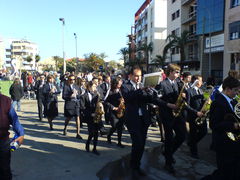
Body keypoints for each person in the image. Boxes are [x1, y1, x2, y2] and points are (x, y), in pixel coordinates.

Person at [121, 66, 176, 178]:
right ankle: (134, 166)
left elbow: (152, 100)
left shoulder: (143, 86)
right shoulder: (125, 86)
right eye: (136, 76)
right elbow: (128, 98)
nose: (138, 78)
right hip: (133, 119)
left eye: (140, 76)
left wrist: (165, 102)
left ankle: (137, 165)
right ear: (130, 76)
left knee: (142, 145)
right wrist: (140, 90)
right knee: (137, 143)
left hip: (144, 119)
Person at [201, 76, 240, 180]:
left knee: (233, 171)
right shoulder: (217, 103)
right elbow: (213, 125)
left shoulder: (234, 101)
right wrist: (233, 125)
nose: (237, 93)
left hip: (234, 143)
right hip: (223, 144)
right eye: (235, 90)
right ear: (227, 89)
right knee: (224, 173)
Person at [155, 63, 186, 174]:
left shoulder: (179, 83)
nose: (178, 74)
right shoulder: (162, 84)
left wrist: (183, 96)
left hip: (177, 114)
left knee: (182, 135)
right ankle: (168, 163)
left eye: (179, 72)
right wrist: (168, 104)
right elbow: (157, 100)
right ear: (171, 72)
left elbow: (182, 96)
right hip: (167, 114)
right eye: (177, 72)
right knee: (169, 138)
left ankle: (169, 152)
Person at [0, 93, 24, 180]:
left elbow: (14, 119)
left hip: (2, 141)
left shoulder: (5, 101)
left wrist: (20, 134)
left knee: (4, 170)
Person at [185, 75, 207, 159]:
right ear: (196, 81)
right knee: (193, 134)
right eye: (200, 81)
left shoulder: (201, 91)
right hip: (193, 116)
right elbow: (186, 106)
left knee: (204, 131)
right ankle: (194, 152)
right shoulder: (189, 91)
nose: (201, 82)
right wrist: (196, 112)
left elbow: (202, 103)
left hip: (202, 115)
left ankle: (191, 143)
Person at [80, 81, 103, 155]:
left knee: (96, 133)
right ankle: (88, 143)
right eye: (93, 87)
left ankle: (94, 148)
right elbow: (83, 107)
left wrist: (100, 99)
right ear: (89, 87)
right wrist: (90, 114)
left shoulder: (97, 95)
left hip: (96, 116)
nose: (94, 88)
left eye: (95, 87)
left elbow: (100, 103)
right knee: (91, 133)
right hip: (89, 117)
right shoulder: (84, 96)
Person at [105, 77, 125, 148]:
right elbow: (106, 102)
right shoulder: (110, 91)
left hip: (121, 111)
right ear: (115, 83)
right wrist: (113, 107)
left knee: (120, 127)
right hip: (113, 112)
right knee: (115, 126)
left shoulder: (122, 90)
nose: (120, 83)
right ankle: (109, 135)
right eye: (119, 82)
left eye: (121, 82)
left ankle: (119, 142)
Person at [62, 75, 82, 139]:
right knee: (68, 118)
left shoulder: (77, 86)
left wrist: (77, 94)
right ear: (68, 80)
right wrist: (70, 95)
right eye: (70, 79)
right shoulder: (66, 87)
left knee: (77, 117)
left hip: (76, 104)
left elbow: (80, 95)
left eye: (73, 79)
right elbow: (64, 96)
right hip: (69, 104)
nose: (72, 81)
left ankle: (78, 133)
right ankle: (65, 127)